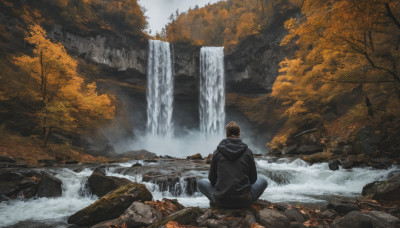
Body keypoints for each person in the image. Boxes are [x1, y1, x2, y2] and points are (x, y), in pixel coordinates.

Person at [198, 121, 268, 209]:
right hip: (244, 201)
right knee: (263, 181)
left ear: (226, 134)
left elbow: (212, 180)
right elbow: (253, 179)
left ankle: (215, 202)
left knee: (201, 182)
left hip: (221, 201)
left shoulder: (217, 152)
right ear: (239, 134)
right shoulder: (248, 152)